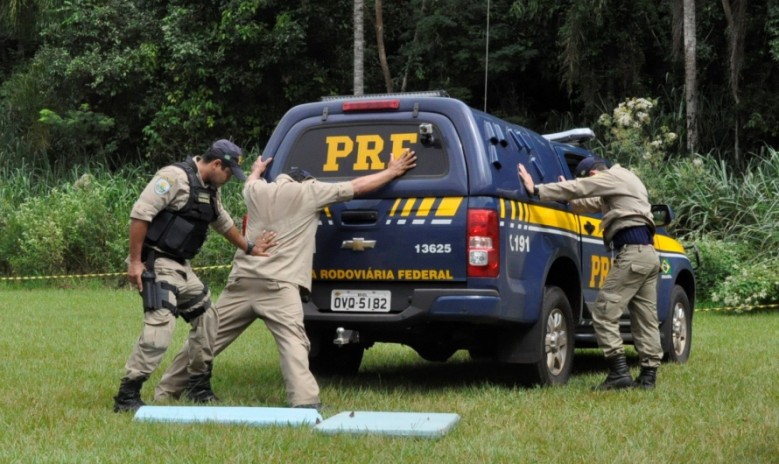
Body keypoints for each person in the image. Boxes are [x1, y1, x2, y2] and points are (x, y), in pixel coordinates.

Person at [154, 148, 418, 410]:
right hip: (279, 285)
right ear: (307, 181)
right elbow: (358, 186)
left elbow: (251, 181)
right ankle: (304, 402)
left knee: (207, 337)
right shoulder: (309, 192)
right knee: (294, 342)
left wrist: (257, 170)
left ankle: (166, 391)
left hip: (242, 281)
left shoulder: (257, 192)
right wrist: (392, 171)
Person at [112, 139, 276, 413]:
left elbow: (222, 222)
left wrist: (250, 247)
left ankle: (197, 386)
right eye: (227, 173)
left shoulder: (210, 189)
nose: (227, 180)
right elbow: (140, 215)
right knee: (160, 326)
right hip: (157, 262)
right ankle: (128, 394)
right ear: (215, 164)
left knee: (208, 318)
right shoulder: (173, 178)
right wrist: (137, 263)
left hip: (181, 267)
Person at [518, 157, 662, 390]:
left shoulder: (613, 177)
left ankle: (619, 373)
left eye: (589, 179)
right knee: (645, 318)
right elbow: (590, 201)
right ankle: (648, 378)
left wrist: (536, 189)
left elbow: (580, 188)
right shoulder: (627, 180)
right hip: (648, 255)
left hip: (632, 255)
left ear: (594, 174)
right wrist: (569, 196)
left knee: (604, 312)